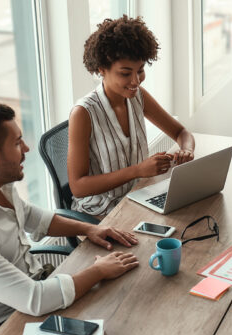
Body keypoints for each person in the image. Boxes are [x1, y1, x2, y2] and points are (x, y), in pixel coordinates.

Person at [0, 101, 139, 330]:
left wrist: (89, 229)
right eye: (17, 143)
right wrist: (99, 271)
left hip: (37, 290)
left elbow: (33, 217)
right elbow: (35, 300)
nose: (26, 148)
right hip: (7, 325)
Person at [68, 15, 195, 217]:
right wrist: (137, 170)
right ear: (102, 69)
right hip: (100, 211)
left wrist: (186, 150)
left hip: (138, 195)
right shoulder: (84, 113)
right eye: (126, 73)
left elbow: (181, 132)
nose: (136, 81)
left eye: (141, 70)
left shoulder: (138, 97)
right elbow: (78, 187)